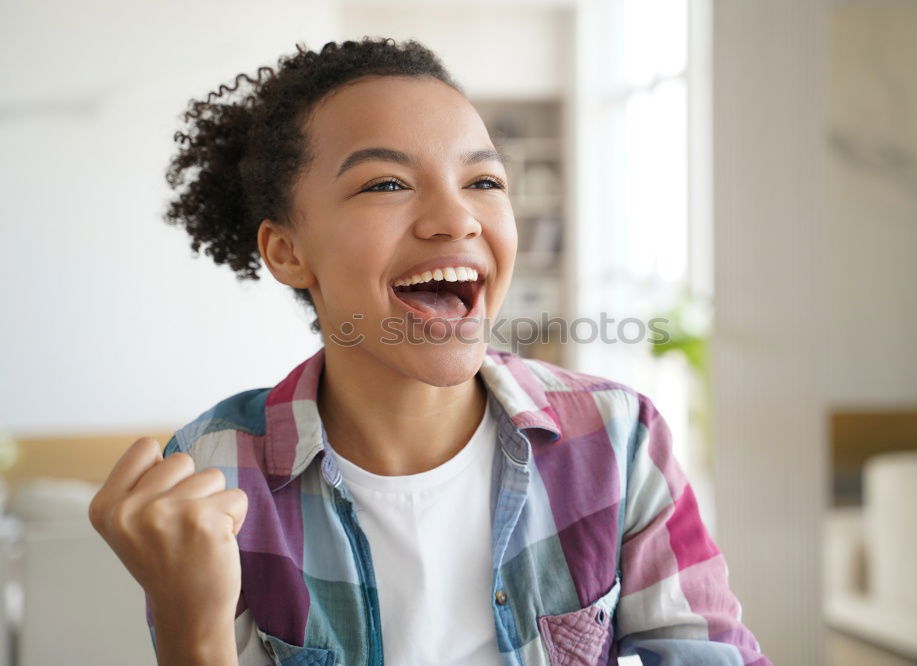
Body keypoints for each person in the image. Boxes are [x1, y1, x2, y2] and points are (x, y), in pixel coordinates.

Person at [88, 37, 772, 666]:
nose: (456, 218)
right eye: (387, 184)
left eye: (483, 181)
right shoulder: (213, 476)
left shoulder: (617, 439)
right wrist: (192, 622)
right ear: (287, 250)